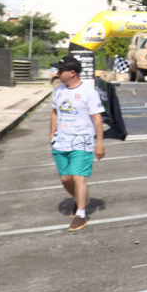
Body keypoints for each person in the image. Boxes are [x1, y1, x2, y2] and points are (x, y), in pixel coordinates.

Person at [49, 55, 105, 231]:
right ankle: (82, 199)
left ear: (72, 73)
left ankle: (81, 214)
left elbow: (97, 119)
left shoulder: (89, 92)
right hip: (61, 141)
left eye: (60, 70)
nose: (57, 73)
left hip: (82, 141)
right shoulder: (59, 91)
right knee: (65, 179)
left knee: (77, 177)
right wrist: (52, 134)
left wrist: (100, 144)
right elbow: (54, 113)